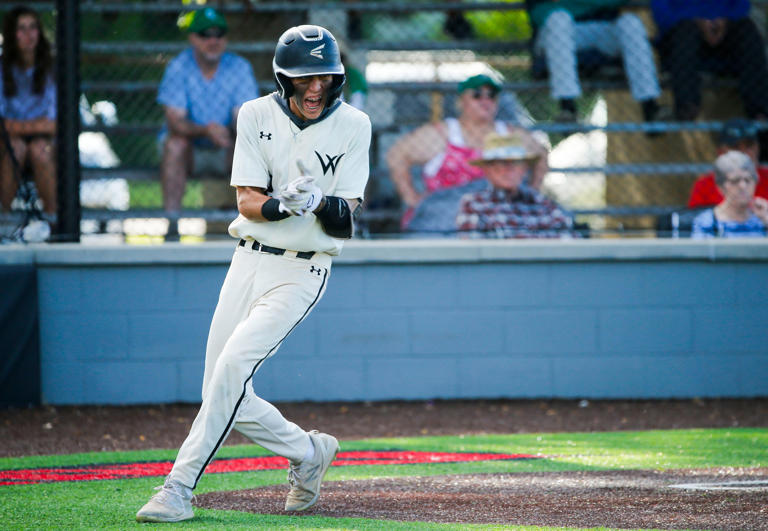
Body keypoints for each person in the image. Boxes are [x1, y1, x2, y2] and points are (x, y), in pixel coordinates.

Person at [136, 24, 371, 523]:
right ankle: (308, 452)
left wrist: (319, 202)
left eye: (325, 78)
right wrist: (283, 206)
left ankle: (178, 487)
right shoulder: (255, 113)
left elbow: (346, 217)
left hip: (302, 271)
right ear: (284, 80)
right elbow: (247, 199)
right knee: (221, 389)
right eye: (305, 79)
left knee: (232, 369)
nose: (316, 89)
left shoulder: (355, 124)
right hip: (248, 259)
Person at [385, 73, 548, 228]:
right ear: (461, 102)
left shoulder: (511, 134)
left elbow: (541, 153)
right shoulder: (443, 133)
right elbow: (396, 155)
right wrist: (412, 198)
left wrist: (533, 190)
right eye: (477, 95)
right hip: (444, 217)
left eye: (491, 96)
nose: (485, 100)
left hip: (498, 219)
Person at [157, 7, 259, 216]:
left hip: (227, 146)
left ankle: (255, 222)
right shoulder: (178, 66)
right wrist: (206, 131)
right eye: (205, 35)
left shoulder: (240, 67)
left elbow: (245, 118)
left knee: (251, 143)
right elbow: (175, 122)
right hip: (190, 149)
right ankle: (172, 224)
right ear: (193, 38)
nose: (213, 41)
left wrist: (232, 133)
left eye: (219, 34)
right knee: (175, 145)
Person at [528, 0, 666, 123]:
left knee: (630, 22)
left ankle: (650, 107)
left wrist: (568, 4)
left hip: (601, 29)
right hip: (559, 33)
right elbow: (539, 14)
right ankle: (567, 107)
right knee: (558, 19)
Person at [651, 0, 768, 122]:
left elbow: (742, 5)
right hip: (684, 36)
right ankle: (687, 105)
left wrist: (725, 21)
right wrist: (698, 22)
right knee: (686, 30)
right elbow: (661, 15)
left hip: (722, 34)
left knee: (747, 29)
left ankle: (759, 111)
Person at [455, 132, 576, 238]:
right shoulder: (474, 204)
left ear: (524, 168)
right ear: (487, 170)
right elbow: (474, 248)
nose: (508, 169)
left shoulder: (543, 204)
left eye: (515, 163)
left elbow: (568, 242)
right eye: (501, 163)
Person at [0, 6, 56, 218]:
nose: (28, 35)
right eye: (21, 29)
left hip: (46, 143)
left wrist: (17, 126)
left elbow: (54, 124)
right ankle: (4, 220)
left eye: (33, 27)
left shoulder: (52, 69)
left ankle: (53, 220)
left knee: (39, 149)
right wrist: (34, 125)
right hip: (8, 143)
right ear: (11, 34)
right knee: (16, 147)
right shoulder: (2, 69)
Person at [688, 119, 768, 208]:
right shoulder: (705, 185)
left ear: (758, 148)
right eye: (735, 147)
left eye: (749, 146)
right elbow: (696, 220)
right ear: (720, 152)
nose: (743, 152)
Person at [691, 150, 768, 238]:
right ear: (720, 187)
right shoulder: (708, 222)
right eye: (735, 181)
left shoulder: (762, 218)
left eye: (748, 180)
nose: (743, 186)